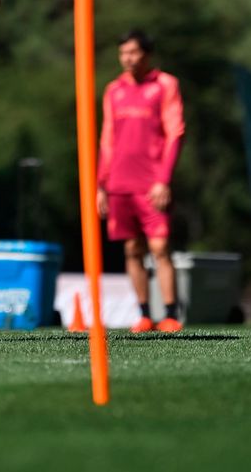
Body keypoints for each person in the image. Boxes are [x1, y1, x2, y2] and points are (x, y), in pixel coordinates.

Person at [96, 30, 186, 333]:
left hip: (152, 185)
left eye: (133, 52)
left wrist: (163, 180)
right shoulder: (113, 90)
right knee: (132, 249)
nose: (128, 59)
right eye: (123, 53)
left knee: (159, 248)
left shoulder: (165, 85)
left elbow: (175, 133)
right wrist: (101, 185)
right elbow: (106, 139)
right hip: (120, 184)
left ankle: (171, 314)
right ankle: (145, 314)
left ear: (147, 54)